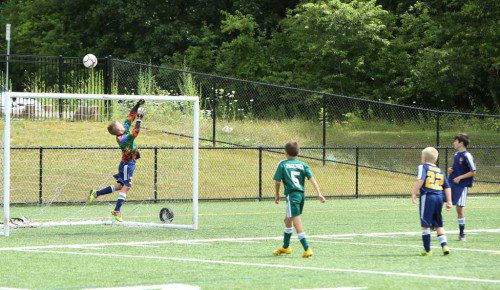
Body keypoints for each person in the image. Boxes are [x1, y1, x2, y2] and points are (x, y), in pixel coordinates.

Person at [87, 99, 145, 222]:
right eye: (119, 124)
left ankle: (96, 193)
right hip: (127, 165)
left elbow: (130, 116)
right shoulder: (122, 138)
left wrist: (137, 105)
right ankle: (117, 210)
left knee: (119, 186)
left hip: (128, 163)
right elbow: (135, 132)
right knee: (127, 186)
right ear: (118, 130)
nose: (121, 124)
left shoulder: (125, 128)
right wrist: (139, 119)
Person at [273, 141, 326, 258]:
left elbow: (277, 182)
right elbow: (313, 180)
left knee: (296, 222)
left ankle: (307, 248)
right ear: (298, 152)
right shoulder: (303, 164)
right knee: (287, 220)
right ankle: (285, 247)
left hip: (292, 196)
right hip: (301, 195)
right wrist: (319, 194)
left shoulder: (282, 164)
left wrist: (277, 194)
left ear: (285, 152)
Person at [412, 147, 452, 256]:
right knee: (438, 223)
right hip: (439, 197)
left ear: (424, 158)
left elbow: (421, 179)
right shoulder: (440, 170)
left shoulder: (423, 167)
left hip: (428, 196)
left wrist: (414, 193)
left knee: (425, 224)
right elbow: (447, 187)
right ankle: (444, 246)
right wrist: (449, 201)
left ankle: (427, 250)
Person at [448, 133, 476, 241]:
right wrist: (452, 170)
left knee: (459, 209)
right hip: (453, 183)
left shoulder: (467, 155)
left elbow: (473, 171)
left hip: (462, 186)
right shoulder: (456, 155)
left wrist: (460, 177)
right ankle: (434, 224)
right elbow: (457, 167)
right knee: (441, 198)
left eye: (455, 141)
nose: (454, 143)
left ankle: (462, 233)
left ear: (461, 143)